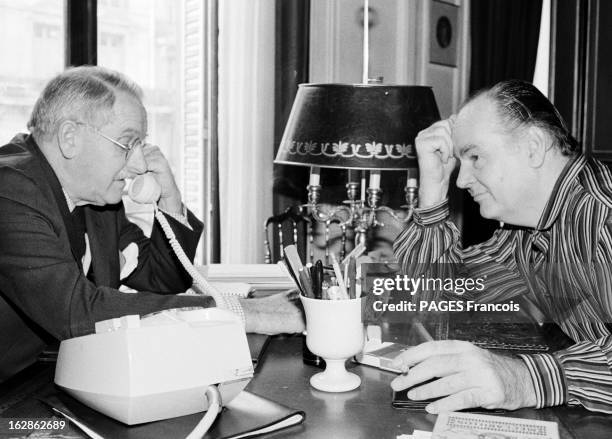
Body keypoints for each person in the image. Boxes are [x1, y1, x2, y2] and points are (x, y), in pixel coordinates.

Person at [0, 66, 303, 382]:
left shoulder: (95, 197)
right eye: (127, 144)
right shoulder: (10, 189)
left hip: (49, 373)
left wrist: (169, 197)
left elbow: (161, 279)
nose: (139, 165)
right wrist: (242, 312)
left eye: (140, 146)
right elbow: (77, 313)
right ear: (69, 138)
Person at [390, 79, 612, 414]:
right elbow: (439, 298)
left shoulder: (604, 213)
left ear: (533, 146)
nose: (461, 181)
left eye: (475, 156)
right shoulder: (523, 236)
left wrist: (524, 379)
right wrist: (433, 191)